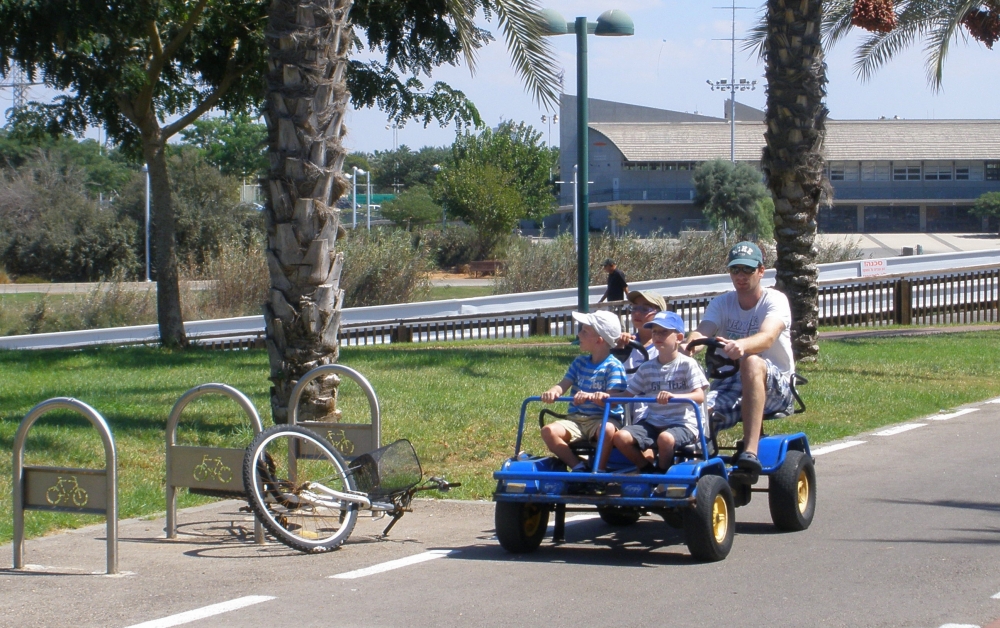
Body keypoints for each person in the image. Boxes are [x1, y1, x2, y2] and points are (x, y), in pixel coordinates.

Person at [684, 241, 795, 477]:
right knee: (699, 410)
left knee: (752, 361)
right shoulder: (722, 303)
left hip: (776, 382)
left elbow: (767, 338)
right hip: (729, 382)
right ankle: (698, 466)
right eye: (735, 270)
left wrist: (742, 345)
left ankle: (750, 451)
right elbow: (703, 331)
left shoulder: (774, 300)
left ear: (761, 271)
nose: (741, 276)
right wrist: (689, 344)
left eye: (747, 270)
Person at [598, 311, 708, 473]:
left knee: (665, 438)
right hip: (653, 422)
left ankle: (663, 472)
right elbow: (628, 395)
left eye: (664, 332)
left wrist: (674, 397)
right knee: (621, 437)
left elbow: (699, 396)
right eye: (654, 332)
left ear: (678, 338)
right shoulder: (647, 368)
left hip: (683, 424)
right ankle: (647, 469)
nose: (657, 336)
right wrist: (607, 398)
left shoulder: (687, 364)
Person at [540, 310, 627, 473]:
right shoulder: (579, 362)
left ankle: (598, 471)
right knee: (548, 431)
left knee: (607, 430)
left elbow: (613, 399)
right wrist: (553, 391)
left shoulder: (613, 366)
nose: (579, 334)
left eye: (584, 331)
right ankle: (578, 466)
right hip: (577, 420)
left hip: (602, 419)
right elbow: (563, 384)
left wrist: (596, 397)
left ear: (599, 341)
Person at [615, 289, 667, 419]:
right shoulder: (627, 343)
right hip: (625, 399)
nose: (637, 313)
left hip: (653, 402)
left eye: (645, 309)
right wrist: (619, 347)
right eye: (634, 308)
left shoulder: (663, 346)